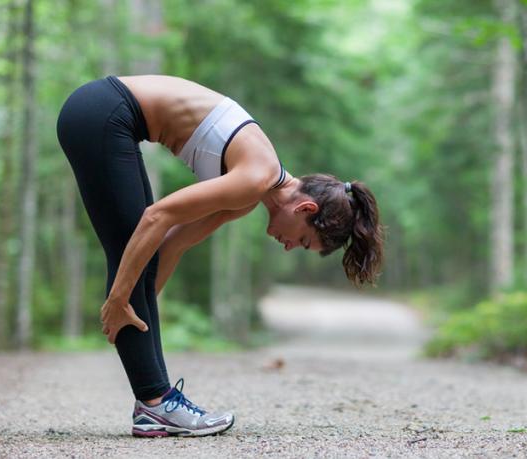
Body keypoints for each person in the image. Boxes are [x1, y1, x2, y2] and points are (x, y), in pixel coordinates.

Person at [56, 75, 384, 437]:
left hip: (103, 114)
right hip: (104, 111)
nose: (290, 247)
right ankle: (155, 405)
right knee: (129, 248)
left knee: (138, 256)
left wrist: (142, 310)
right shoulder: (256, 177)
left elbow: (172, 243)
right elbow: (157, 217)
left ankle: (154, 404)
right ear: (305, 208)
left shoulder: (248, 194)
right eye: (304, 241)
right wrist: (120, 298)